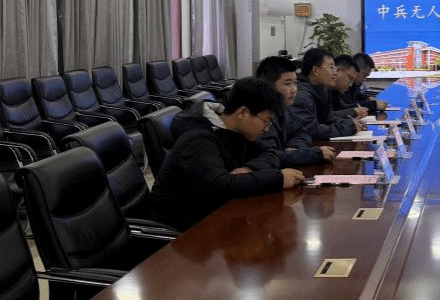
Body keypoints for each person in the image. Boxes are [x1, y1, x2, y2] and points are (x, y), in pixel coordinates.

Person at [149, 77, 305, 231]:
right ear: (243, 113)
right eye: (266, 121)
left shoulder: (236, 131)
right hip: (183, 231)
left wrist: (249, 169)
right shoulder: (198, 138)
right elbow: (219, 186)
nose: (266, 129)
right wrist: (278, 179)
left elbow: (270, 153)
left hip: (216, 216)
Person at [255, 56, 336, 167]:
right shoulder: (258, 116)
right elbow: (268, 157)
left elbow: (302, 133)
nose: (294, 90)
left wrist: (295, 148)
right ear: (268, 86)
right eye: (288, 84)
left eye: (295, 83)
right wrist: (310, 154)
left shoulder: (284, 109)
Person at [292, 48, 363, 142]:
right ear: (315, 70)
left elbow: (329, 120)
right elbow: (311, 130)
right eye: (331, 68)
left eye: (335, 68)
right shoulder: (301, 95)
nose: (335, 72)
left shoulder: (322, 90)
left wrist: (351, 123)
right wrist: (348, 127)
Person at [332, 55, 369, 119]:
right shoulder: (322, 89)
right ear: (339, 70)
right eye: (350, 79)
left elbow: (340, 107)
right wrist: (353, 112)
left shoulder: (335, 91)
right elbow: (325, 118)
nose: (350, 85)